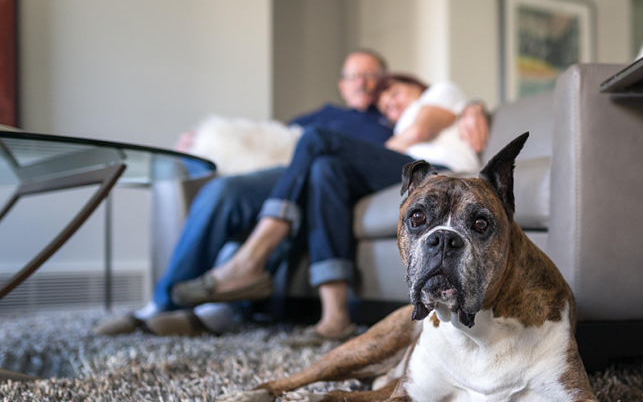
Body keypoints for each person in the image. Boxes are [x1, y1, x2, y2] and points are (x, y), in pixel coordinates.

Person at [94, 52, 489, 337]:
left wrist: (475, 106)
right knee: (301, 170)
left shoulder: (429, 103)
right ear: (341, 83)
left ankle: (252, 259)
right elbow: (272, 135)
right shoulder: (343, 113)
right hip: (324, 176)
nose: (385, 98)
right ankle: (167, 304)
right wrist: (205, 140)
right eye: (358, 79)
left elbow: (423, 127)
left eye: (391, 88)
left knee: (320, 149)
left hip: (417, 174)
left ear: (414, 85)